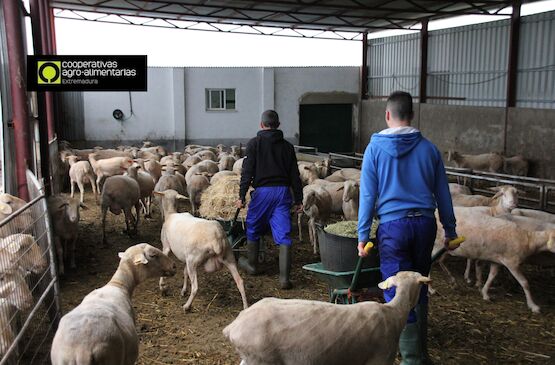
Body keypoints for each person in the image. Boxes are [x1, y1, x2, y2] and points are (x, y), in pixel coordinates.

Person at [357, 91, 457, 365]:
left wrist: (362, 236)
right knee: (418, 285)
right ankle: (419, 354)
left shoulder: (375, 149)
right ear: (412, 115)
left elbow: (367, 195)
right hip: (425, 224)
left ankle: (410, 357)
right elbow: (443, 194)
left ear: (388, 115)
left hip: (393, 226)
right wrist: (450, 230)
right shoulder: (429, 149)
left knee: (396, 289)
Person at [236, 110, 303, 289]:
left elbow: (247, 172)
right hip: (282, 192)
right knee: (284, 235)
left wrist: (241, 196)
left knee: (253, 227)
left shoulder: (254, 144)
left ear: (261, 125)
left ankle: (251, 265)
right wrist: (299, 199)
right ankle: (284, 279)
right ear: (278, 125)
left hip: (263, 193)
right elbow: (295, 175)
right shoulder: (288, 147)